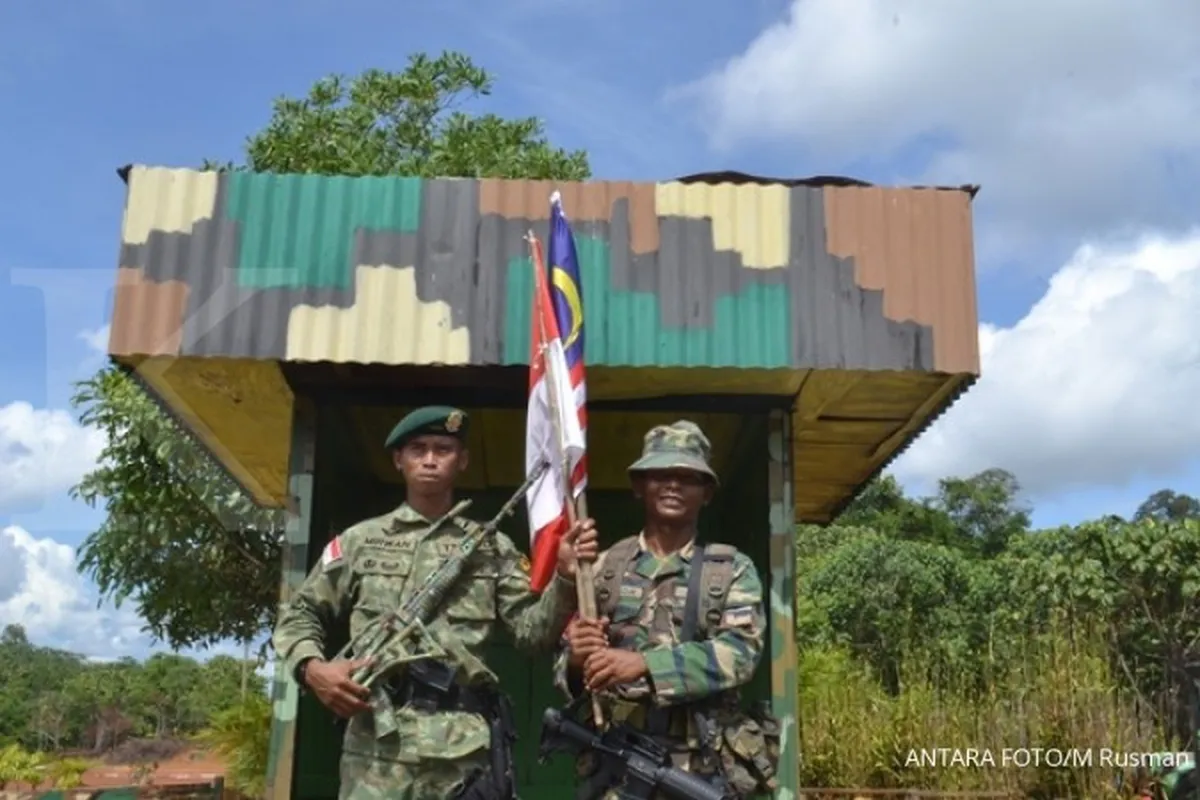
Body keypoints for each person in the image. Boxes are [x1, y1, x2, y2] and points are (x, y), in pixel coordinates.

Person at [273, 405, 598, 800]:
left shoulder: (491, 547)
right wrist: (313, 669)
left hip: (460, 754)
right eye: (417, 449)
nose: (429, 459)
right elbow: (300, 612)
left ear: (461, 461)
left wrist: (563, 578)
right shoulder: (360, 541)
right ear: (399, 460)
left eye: (442, 449)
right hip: (376, 749)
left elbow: (532, 634)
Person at [552, 420, 779, 799]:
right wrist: (575, 660)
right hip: (619, 769)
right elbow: (569, 670)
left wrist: (645, 665)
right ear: (639, 486)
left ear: (706, 493)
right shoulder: (605, 567)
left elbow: (741, 652)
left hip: (700, 771)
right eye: (661, 474)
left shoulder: (730, 569)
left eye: (687, 477)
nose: (673, 485)